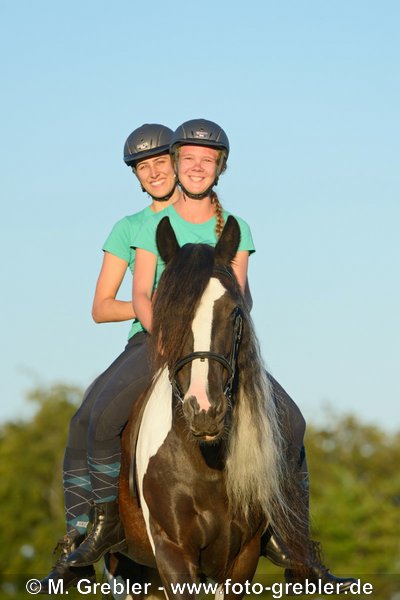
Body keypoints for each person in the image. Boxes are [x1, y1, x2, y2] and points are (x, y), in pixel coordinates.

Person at [65, 119, 356, 592]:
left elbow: (242, 294)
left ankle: (294, 543)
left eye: (208, 161)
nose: (196, 168)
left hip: (221, 343)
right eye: (189, 160)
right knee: (98, 418)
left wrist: (225, 323)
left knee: (293, 421)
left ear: (220, 168)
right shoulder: (147, 225)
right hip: (161, 341)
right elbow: (140, 295)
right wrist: (169, 331)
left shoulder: (237, 228)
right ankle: (98, 524)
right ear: (178, 164)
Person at [39, 123, 180, 593]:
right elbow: (101, 307)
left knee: (285, 420)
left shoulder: (212, 216)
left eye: (162, 161)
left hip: (209, 342)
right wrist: (151, 307)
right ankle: (86, 532)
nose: (155, 171)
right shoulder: (129, 228)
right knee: (87, 419)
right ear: (137, 177)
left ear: (179, 161)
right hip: (148, 341)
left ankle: (290, 537)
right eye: (145, 167)